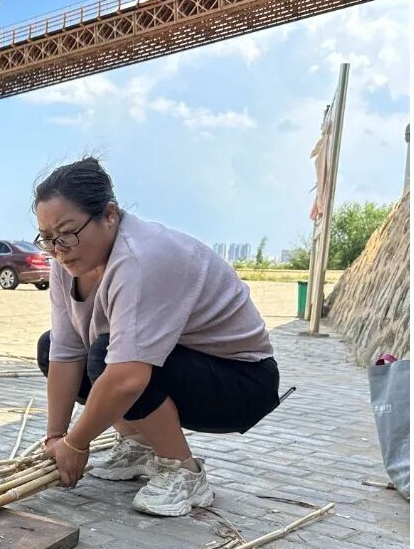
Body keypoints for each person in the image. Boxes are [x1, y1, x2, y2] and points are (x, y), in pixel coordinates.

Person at [33, 157, 281, 517]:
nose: (59, 249)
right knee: (51, 346)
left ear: (110, 215)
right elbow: (66, 351)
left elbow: (128, 378)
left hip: (241, 381)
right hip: (175, 363)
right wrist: (56, 438)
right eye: (48, 238)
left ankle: (183, 470)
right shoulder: (65, 264)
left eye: (68, 233)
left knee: (109, 360)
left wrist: (77, 443)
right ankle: (137, 444)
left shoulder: (142, 258)